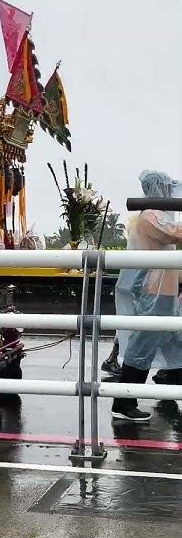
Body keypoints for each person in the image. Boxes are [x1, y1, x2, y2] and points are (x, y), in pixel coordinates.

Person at [112, 170, 182, 421]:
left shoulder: (160, 215)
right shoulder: (150, 217)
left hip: (166, 294)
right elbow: (175, 232)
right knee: (141, 347)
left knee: (176, 341)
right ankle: (123, 403)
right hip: (152, 294)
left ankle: (172, 386)